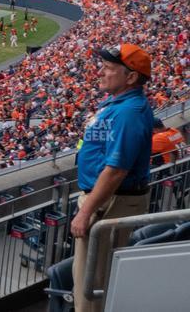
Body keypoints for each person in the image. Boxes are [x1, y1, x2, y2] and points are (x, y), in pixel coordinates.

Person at [71, 44, 156, 312]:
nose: (101, 72)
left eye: (108, 69)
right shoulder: (120, 104)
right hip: (107, 200)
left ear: (130, 77)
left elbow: (117, 170)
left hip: (110, 203)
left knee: (91, 284)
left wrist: (86, 211)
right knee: (89, 276)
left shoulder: (128, 112)